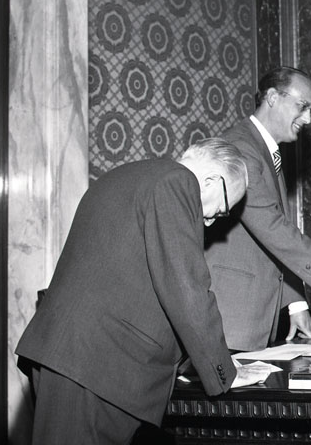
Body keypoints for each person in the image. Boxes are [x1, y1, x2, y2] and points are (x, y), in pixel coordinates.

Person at [16, 138, 256, 445]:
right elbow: (187, 289)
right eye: (220, 211)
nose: (209, 222)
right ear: (211, 180)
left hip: (70, 360)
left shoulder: (125, 175)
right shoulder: (178, 181)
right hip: (98, 369)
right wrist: (224, 371)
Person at [204, 66, 311, 351]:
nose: (307, 119)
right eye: (302, 106)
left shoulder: (264, 150)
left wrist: (295, 303)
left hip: (253, 315)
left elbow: (275, 233)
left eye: (310, 111)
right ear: (272, 97)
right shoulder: (240, 148)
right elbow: (270, 225)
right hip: (230, 313)